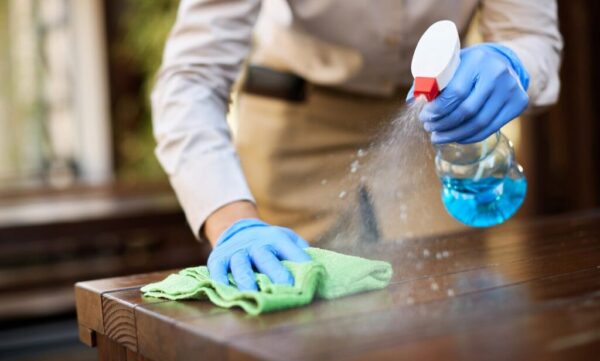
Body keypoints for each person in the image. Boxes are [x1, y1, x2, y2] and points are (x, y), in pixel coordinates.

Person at [151, 0, 562, 291]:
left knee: (450, 294)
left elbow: (529, 34)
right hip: (296, 123)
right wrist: (233, 223)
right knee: (293, 309)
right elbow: (191, 80)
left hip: (430, 119)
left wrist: (512, 62)